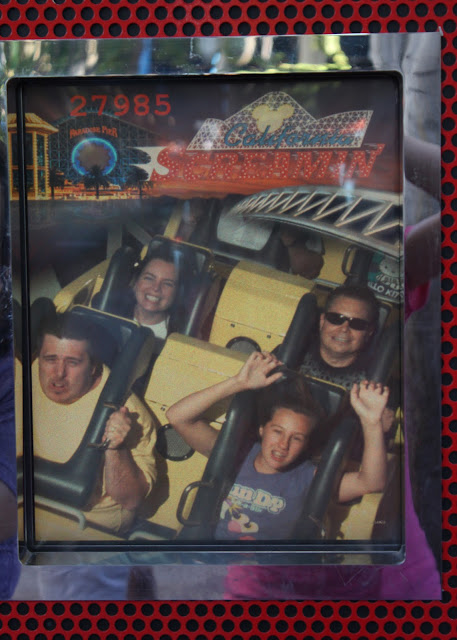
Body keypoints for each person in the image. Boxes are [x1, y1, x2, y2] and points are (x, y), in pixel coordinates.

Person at [166, 351, 388, 541]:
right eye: (278, 431)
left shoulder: (309, 477)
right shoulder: (235, 454)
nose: (283, 445)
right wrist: (237, 383)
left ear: (306, 444)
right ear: (262, 430)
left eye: (297, 438)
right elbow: (178, 417)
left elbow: (372, 482)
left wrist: (372, 423)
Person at [32, 312, 157, 534]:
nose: (58, 374)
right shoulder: (27, 374)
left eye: (73, 362)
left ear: (92, 367)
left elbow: (131, 500)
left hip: (85, 521)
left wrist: (116, 448)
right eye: (50, 359)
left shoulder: (131, 412)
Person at [299, 284, 379, 390]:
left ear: (369, 332)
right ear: (322, 321)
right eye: (336, 319)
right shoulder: (291, 357)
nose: (344, 328)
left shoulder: (372, 384)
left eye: (357, 323)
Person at [131, 245, 180, 339]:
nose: (156, 288)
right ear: (136, 282)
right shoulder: (112, 315)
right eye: (149, 278)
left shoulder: (179, 337)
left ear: (176, 293)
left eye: (167, 284)